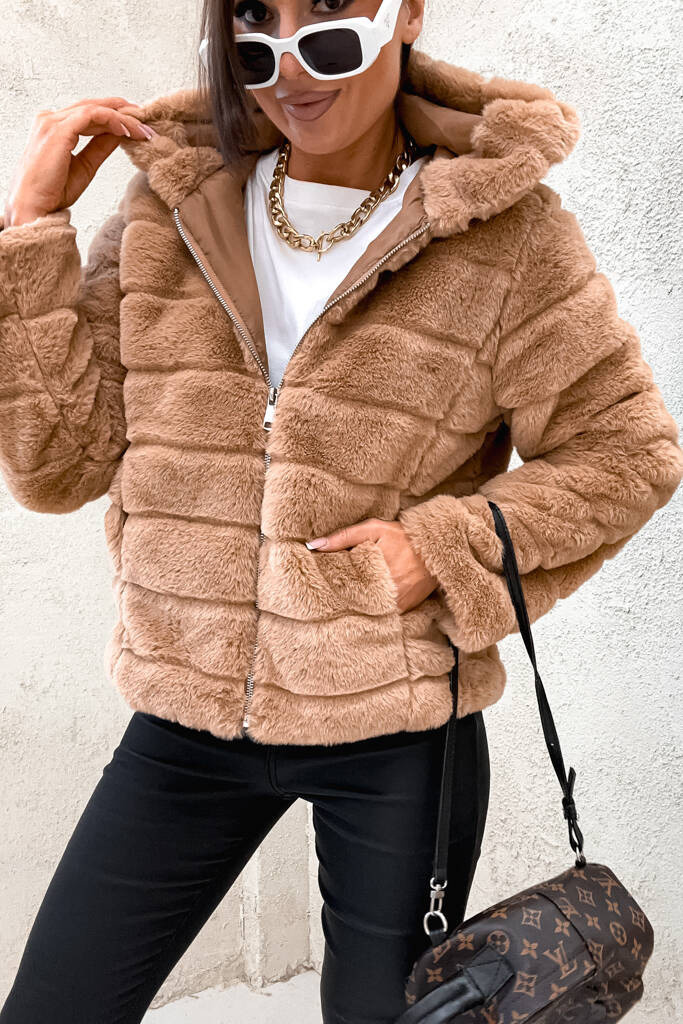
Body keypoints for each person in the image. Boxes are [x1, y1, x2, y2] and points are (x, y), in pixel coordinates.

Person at [0, 1, 681, 1022]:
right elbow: (60, 465)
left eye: (326, 18)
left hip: (394, 728)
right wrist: (32, 230)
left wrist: (437, 549)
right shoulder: (172, 205)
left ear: (405, 12)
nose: (288, 64)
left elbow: (625, 451)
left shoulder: (506, 234)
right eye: (254, 24)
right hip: (185, 714)